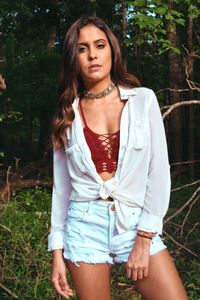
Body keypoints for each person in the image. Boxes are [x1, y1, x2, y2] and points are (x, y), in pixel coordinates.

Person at [48, 15, 188, 300]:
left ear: (112, 49)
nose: (92, 55)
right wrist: (57, 251)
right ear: (74, 57)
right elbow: (61, 190)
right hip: (83, 226)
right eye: (82, 48)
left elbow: (158, 173)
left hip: (135, 223)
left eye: (99, 45)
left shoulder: (143, 100)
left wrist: (144, 238)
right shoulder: (67, 114)